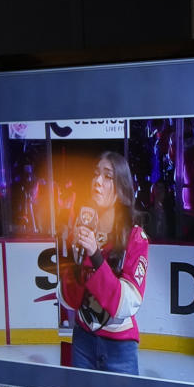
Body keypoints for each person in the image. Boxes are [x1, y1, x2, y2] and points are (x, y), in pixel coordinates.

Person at [59, 152, 149, 375]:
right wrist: (75, 258)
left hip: (120, 348)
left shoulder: (136, 238)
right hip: (82, 340)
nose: (97, 182)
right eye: (96, 174)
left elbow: (127, 304)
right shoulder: (80, 231)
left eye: (107, 176)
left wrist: (96, 255)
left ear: (121, 188)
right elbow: (67, 299)